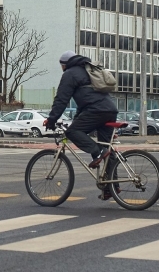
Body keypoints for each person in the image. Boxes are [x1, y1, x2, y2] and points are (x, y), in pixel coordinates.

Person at [45, 51, 119, 198]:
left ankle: (97, 152)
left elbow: (61, 99)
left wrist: (52, 119)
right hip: (109, 110)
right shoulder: (88, 69)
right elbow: (85, 102)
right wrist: (76, 120)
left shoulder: (70, 74)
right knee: (107, 148)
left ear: (64, 64)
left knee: (72, 132)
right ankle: (111, 187)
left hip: (96, 111)